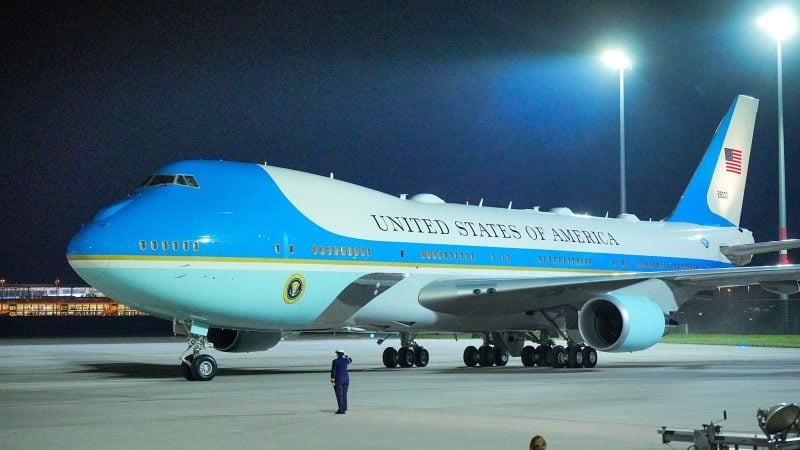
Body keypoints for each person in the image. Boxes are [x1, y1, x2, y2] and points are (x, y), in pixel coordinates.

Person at [330, 349, 352, 414]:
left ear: (338, 354)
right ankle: (344, 408)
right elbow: (350, 359)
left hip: (339, 379)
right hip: (346, 379)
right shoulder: (346, 360)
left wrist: (332, 380)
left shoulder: (335, 361)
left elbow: (333, 371)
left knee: (339, 395)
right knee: (344, 394)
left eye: (337, 353)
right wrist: (346, 356)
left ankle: (341, 410)